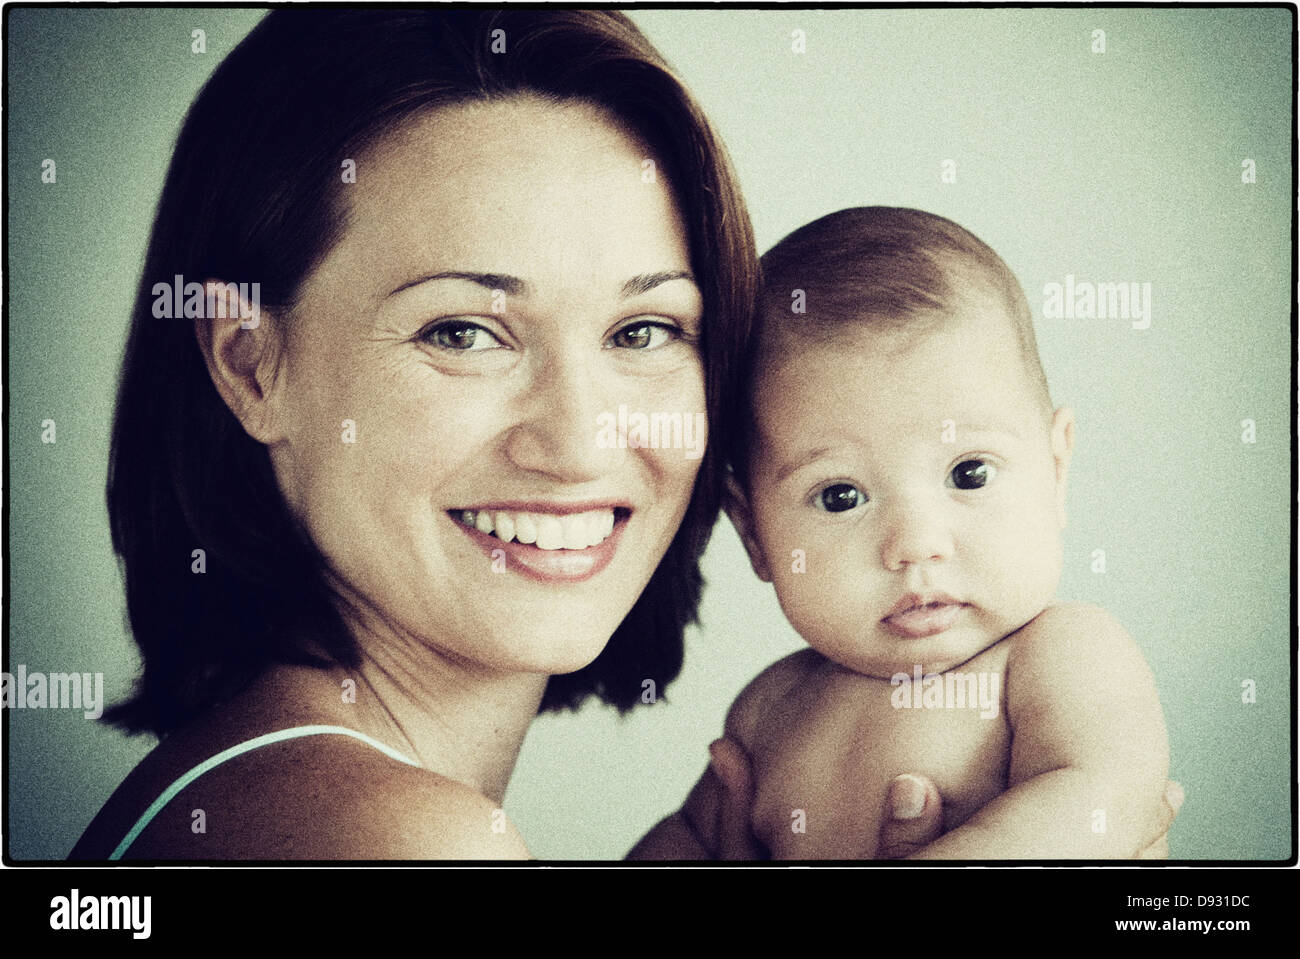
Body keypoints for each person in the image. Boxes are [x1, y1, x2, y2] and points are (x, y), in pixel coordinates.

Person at [67, 10, 1001, 861]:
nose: (580, 443)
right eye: (462, 333)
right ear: (250, 365)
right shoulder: (407, 841)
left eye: (643, 331)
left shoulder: (252, 788)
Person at [633, 207, 1173, 859]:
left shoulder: (1057, 656)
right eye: (840, 496)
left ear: (1056, 469)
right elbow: (691, 840)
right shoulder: (772, 706)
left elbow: (1101, 801)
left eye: (969, 473)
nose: (916, 544)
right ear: (754, 533)